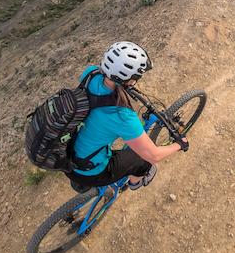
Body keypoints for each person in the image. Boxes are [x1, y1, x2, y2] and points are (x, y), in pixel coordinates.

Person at [66, 40, 188, 191]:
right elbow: (154, 155)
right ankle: (133, 183)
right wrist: (179, 145)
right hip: (89, 171)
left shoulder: (90, 74)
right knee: (143, 161)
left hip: (66, 155)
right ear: (130, 80)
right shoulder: (122, 116)